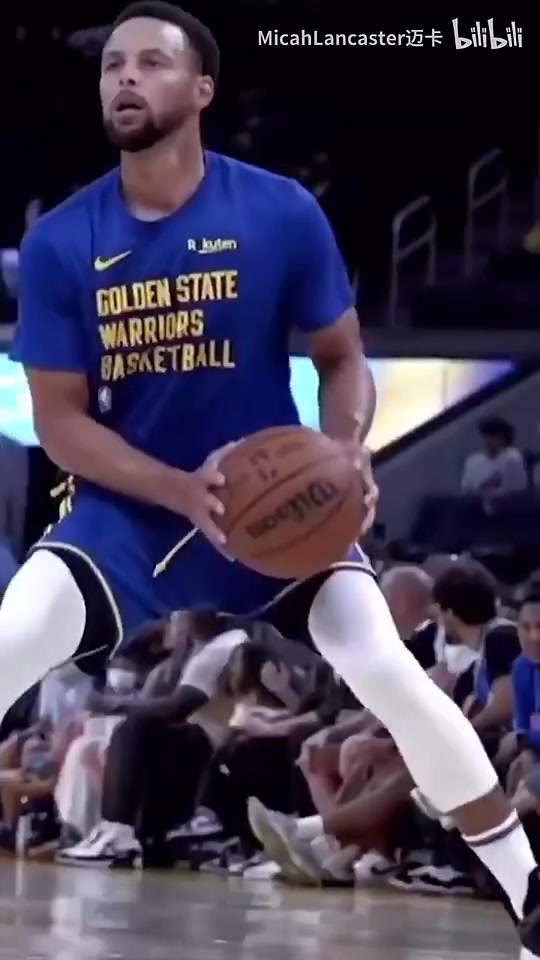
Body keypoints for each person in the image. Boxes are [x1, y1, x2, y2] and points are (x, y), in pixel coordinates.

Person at [3, 2, 540, 951]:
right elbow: (60, 422)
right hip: (129, 514)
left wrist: (350, 448)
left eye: (151, 63)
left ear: (202, 88)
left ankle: (530, 895)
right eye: (113, 65)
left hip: (275, 509)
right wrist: (180, 490)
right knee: (8, 641)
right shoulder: (62, 242)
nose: (124, 78)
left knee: (382, 664)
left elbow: (342, 359)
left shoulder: (280, 210)